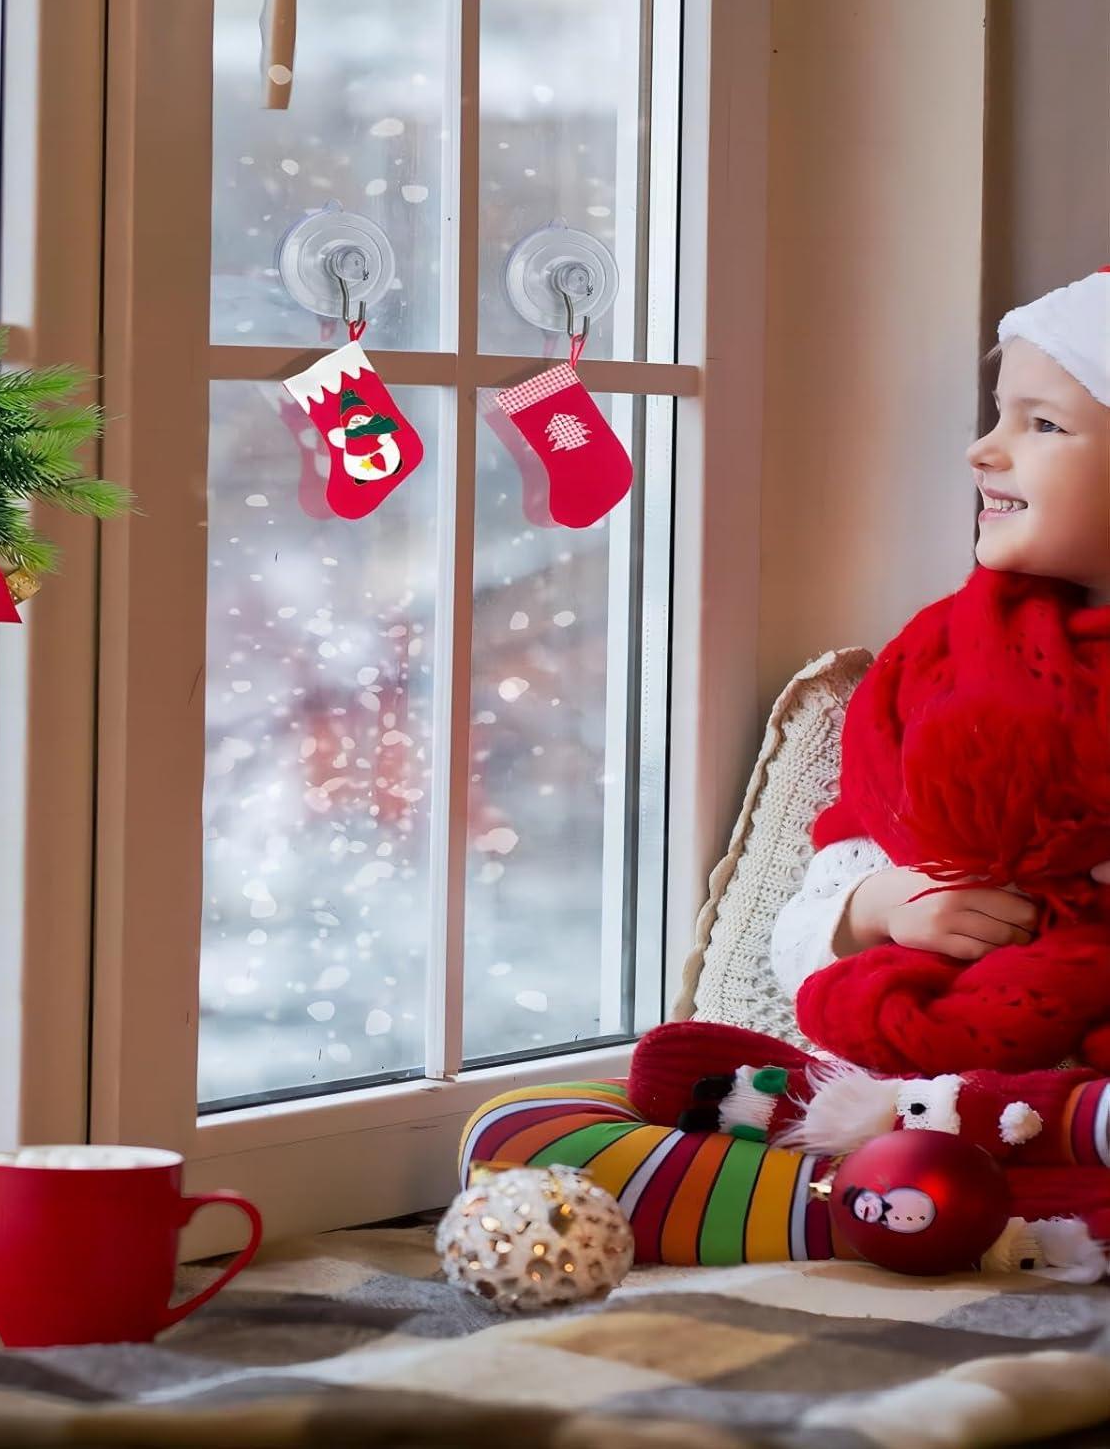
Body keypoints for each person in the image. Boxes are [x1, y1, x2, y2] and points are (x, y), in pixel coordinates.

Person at [460, 267, 1110, 1272]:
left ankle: (925, 1204)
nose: (984, 450)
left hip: (1064, 1094)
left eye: (1044, 425)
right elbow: (808, 927)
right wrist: (880, 908)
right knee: (528, 1129)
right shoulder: (930, 668)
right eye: (998, 416)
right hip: (888, 1085)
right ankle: (869, 1195)